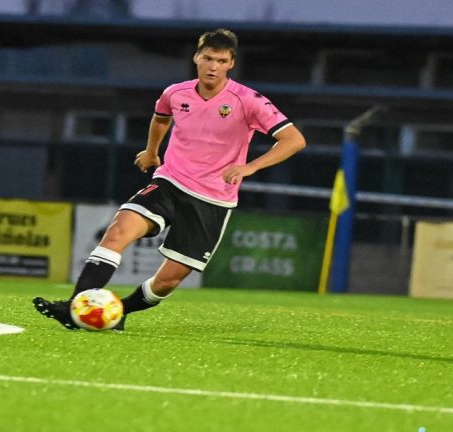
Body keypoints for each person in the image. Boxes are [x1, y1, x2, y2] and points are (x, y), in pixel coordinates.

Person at [33, 28, 306, 330]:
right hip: (170, 182)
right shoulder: (176, 93)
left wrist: (251, 167)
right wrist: (152, 151)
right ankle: (75, 308)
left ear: (231, 63)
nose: (213, 66)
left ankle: (118, 312)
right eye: (208, 58)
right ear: (196, 58)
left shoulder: (249, 100)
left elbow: (294, 140)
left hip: (212, 199)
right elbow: (161, 117)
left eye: (221, 61)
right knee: (118, 231)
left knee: (166, 282)